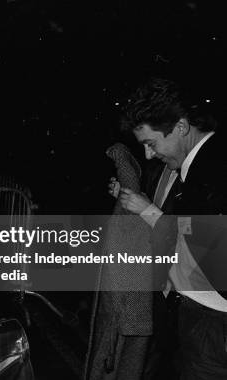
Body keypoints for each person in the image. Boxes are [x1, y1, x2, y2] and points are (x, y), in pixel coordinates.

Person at [118, 78, 227, 379]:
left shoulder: (210, 175)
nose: (149, 156)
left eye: (151, 144)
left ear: (180, 127)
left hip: (212, 327)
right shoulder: (205, 164)